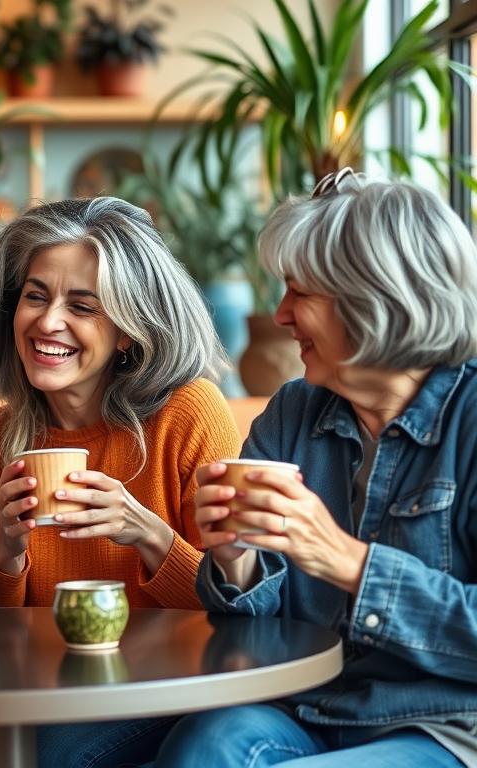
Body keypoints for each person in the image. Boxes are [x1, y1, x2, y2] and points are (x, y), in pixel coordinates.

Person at [154, 170, 477, 768]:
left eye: (299, 293)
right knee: (205, 747)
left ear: (376, 298)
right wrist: (233, 558)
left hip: (444, 728)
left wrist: (348, 563)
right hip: (309, 710)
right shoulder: (293, 412)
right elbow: (249, 627)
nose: (279, 315)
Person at [0, 196, 243, 767]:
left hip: (181, 687)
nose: (47, 321)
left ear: (129, 333)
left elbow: (242, 611)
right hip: (49, 693)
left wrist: (148, 534)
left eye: (82, 306)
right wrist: (8, 554)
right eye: (35, 296)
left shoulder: (189, 416)